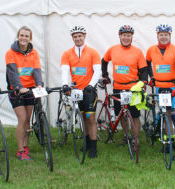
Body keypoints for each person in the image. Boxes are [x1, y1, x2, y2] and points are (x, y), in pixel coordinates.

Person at [101, 25, 148, 145]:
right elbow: (104, 61)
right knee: (121, 113)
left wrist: (143, 82)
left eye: (128, 35)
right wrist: (105, 74)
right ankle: (126, 136)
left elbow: (143, 69)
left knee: (135, 115)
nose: (126, 38)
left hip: (133, 88)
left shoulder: (137, 51)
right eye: (124, 35)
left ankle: (135, 140)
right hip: (118, 87)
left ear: (132, 37)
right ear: (120, 36)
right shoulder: (113, 49)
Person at [60, 26, 101, 158]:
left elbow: (97, 70)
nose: (78, 38)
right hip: (76, 91)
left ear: (84, 36)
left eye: (80, 36)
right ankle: (87, 143)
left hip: (89, 91)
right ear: (72, 38)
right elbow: (65, 70)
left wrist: (90, 85)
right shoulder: (67, 53)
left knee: (90, 118)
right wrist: (65, 85)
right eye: (75, 36)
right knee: (83, 118)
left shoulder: (93, 52)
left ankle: (93, 148)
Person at [146, 24, 175, 161]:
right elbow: (146, 64)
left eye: (166, 34)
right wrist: (151, 78)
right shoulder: (151, 50)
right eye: (161, 34)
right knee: (166, 116)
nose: (163, 37)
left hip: (173, 87)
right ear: (157, 35)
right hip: (159, 88)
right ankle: (169, 143)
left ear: (170, 36)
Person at [6, 26, 44, 160]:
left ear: (30, 38)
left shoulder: (34, 53)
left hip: (30, 89)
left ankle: (25, 147)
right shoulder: (10, 52)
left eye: (26, 36)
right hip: (16, 90)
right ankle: (20, 150)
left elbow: (37, 70)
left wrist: (39, 84)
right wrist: (18, 87)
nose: (24, 38)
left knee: (28, 119)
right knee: (22, 118)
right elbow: (12, 72)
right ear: (18, 36)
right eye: (21, 35)